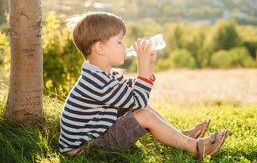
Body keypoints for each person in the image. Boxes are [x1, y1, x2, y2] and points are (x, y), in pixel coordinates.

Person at [58, 12, 229, 161]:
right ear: (100, 48)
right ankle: (196, 148)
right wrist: (143, 69)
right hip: (86, 150)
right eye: (119, 42)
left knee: (142, 107)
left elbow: (131, 93)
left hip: (91, 139)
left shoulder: (100, 75)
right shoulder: (96, 81)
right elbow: (137, 100)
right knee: (144, 114)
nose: (125, 47)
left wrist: (148, 67)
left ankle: (181, 136)